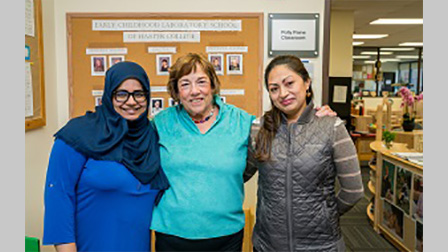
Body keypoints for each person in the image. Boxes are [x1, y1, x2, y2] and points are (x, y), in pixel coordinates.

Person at [150, 53, 335, 251]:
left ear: (213, 86)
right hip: (172, 234)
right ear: (176, 92)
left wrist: (316, 119)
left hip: (226, 236)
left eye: (201, 82)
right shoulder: (161, 123)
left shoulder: (243, 122)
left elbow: (282, 131)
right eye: (185, 84)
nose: (194, 91)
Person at [42, 61, 170, 252]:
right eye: (121, 94)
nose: (131, 102)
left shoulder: (151, 138)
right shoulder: (79, 134)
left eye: (139, 94)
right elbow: (58, 197)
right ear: (108, 96)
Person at [244, 55, 364, 251]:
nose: (283, 93)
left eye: (289, 83)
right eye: (274, 89)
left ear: (306, 83)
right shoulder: (260, 128)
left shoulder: (331, 127)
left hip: (321, 245)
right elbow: (240, 173)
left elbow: (354, 191)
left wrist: (325, 214)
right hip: (268, 244)